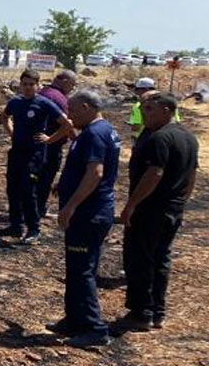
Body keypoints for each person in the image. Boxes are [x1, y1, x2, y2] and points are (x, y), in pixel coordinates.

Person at [118, 93, 198, 331]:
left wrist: (131, 205)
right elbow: (192, 174)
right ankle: (157, 311)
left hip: (150, 209)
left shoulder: (160, 138)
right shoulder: (188, 136)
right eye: (143, 108)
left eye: (150, 109)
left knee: (141, 258)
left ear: (167, 110)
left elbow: (155, 173)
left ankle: (142, 312)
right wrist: (182, 200)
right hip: (172, 209)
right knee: (161, 258)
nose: (144, 112)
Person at [47, 90, 120, 348]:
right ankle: (74, 320)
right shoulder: (98, 130)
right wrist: (63, 183)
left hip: (88, 213)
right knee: (76, 268)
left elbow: (95, 173)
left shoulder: (94, 134)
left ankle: (94, 328)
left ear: (87, 107)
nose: (69, 115)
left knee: (82, 271)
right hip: (88, 212)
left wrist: (70, 207)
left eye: (73, 110)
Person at [0, 69, 74, 244]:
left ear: (38, 86)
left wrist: (50, 139)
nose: (27, 88)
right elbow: (5, 116)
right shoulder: (15, 102)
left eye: (31, 85)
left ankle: (33, 229)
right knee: (12, 189)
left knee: (28, 190)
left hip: (34, 155)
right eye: (24, 84)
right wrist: (12, 133)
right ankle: (15, 225)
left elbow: (67, 124)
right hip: (16, 152)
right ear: (20, 84)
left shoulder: (44, 103)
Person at [36, 70, 77, 217]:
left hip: (34, 143)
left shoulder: (42, 93)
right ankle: (38, 209)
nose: (72, 88)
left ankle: (30, 207)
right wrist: (77, 140)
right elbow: (66, 125)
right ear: (65, 81)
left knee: (34, 177)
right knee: (45, 179)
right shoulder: (59, 99)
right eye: (72, 85)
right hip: (50, 146)